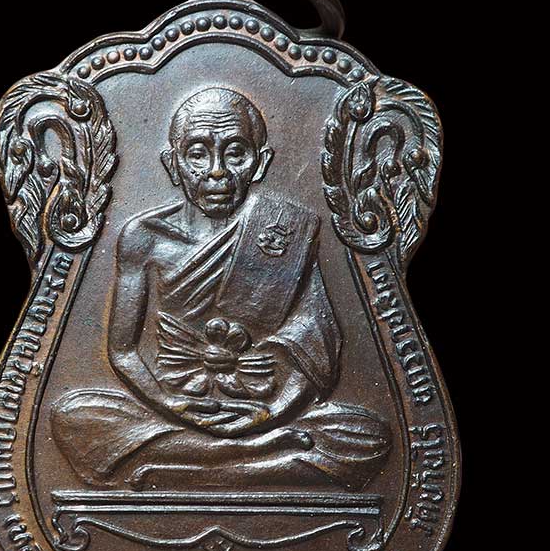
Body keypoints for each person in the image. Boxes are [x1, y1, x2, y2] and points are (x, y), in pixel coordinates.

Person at [52, 88, 390, 490]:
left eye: (235, 153)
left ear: (260, 163)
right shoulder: (144, 236)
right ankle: (260, 459)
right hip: (170, 408)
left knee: (368, 436)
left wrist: (271, 414)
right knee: (75, 416)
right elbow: (123, 351)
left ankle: (189, 466)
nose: (217, 172)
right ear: (173, 163)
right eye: (198, 154)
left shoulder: (284, 231)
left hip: (264, 409)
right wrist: (172, 405)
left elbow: (316, 347)